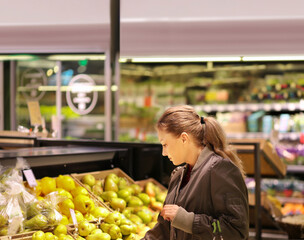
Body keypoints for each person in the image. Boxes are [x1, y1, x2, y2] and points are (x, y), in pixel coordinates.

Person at [142, 105, 249, 240]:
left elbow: (234, 230)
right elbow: (165, 229)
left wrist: (188, 220)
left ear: (184, 139)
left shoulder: (220, 170)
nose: (164, 153)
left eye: (165, 144)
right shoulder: (178, 176)